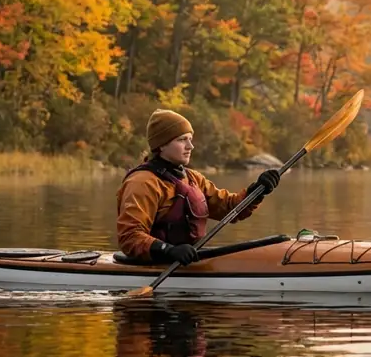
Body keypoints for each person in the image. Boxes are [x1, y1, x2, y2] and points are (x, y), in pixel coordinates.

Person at [116, 108, 282, 265]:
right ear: (161, 145)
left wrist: (257, 191)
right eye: (182, 140)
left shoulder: (193, 179)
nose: (190, 146)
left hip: (188, 260)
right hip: (155, 263)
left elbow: (229, 208)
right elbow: (130, 237)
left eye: (190, 139)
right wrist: (168, 250)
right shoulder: (143, 183)